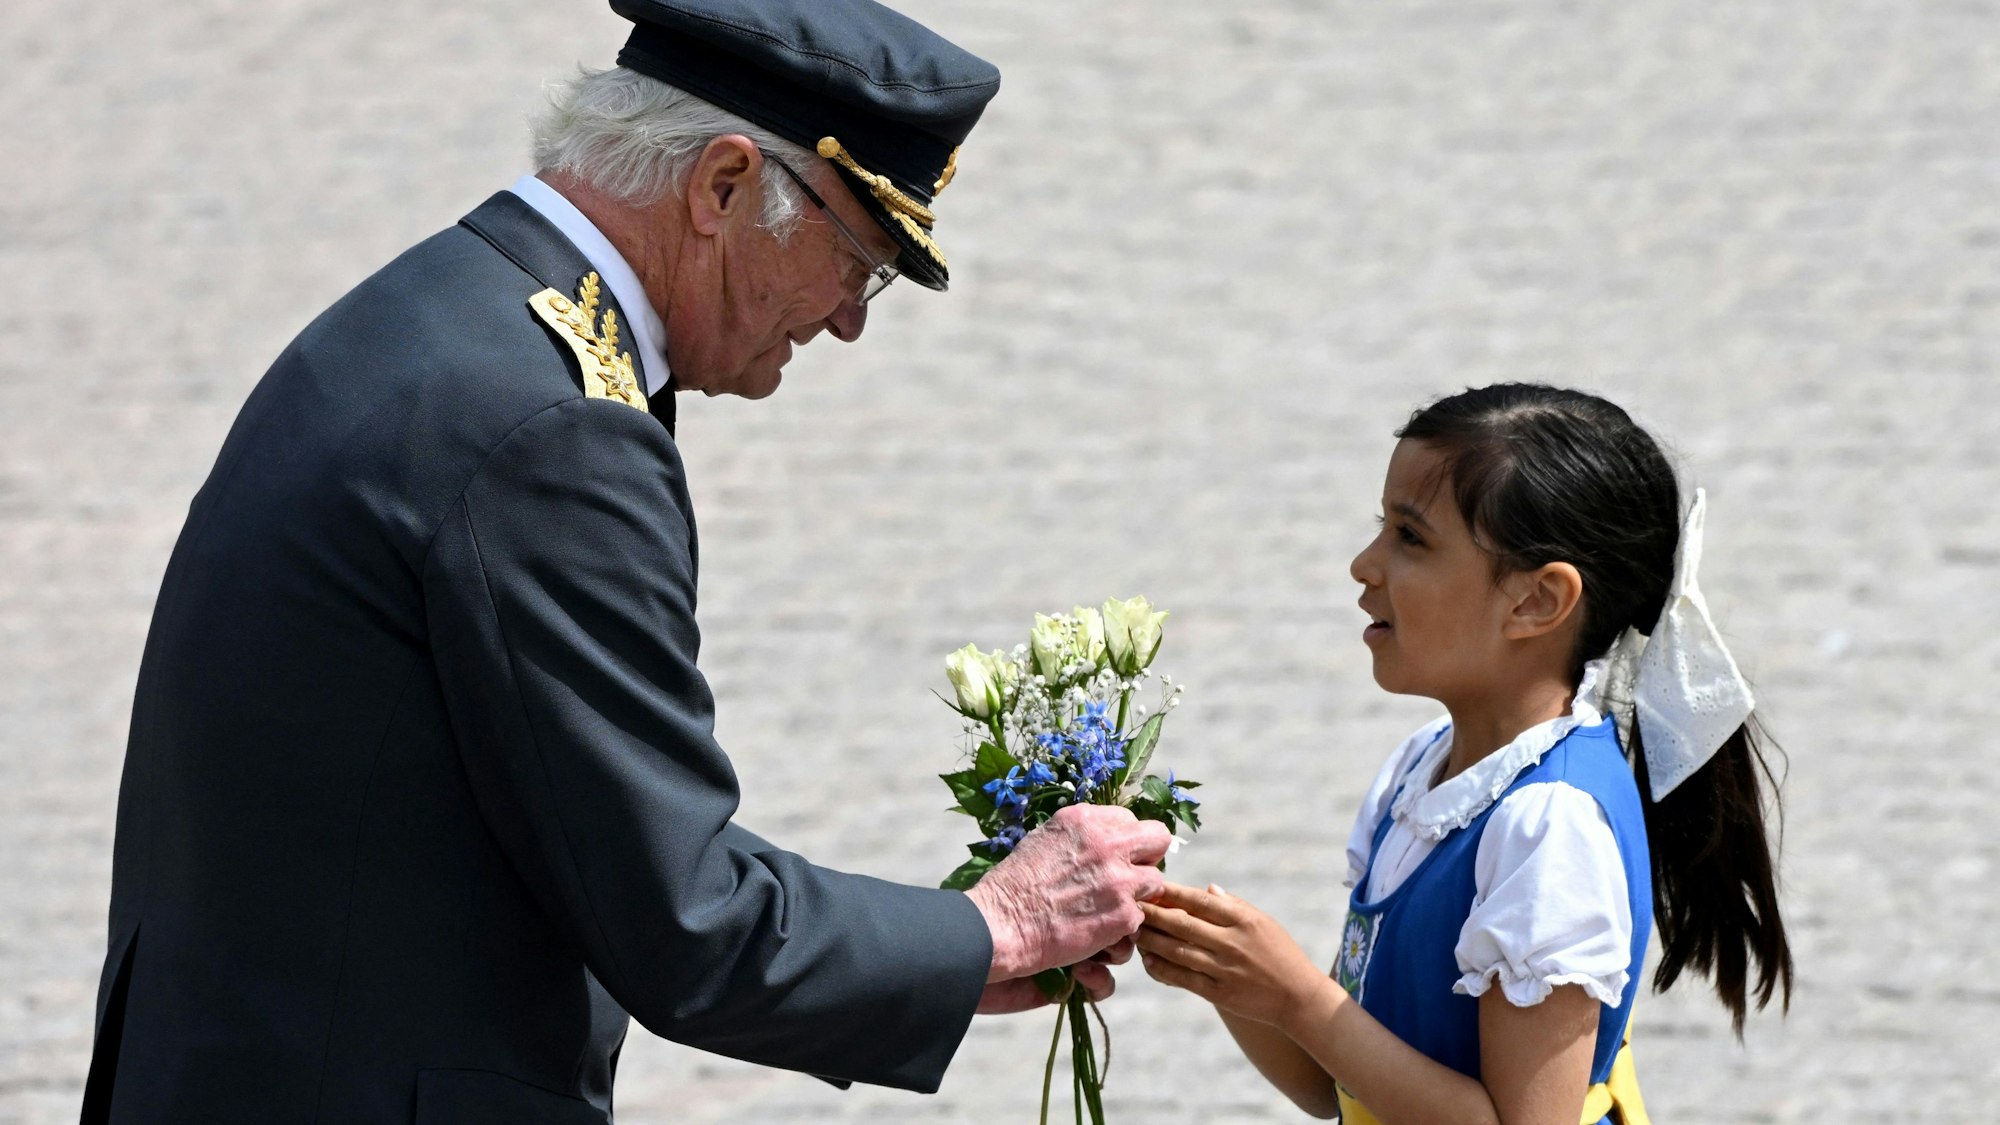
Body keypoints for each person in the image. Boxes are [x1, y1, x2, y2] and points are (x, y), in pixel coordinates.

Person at [80, 1, 1171, 1121]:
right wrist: (991, 926)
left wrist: (943, 962)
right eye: (857, 260)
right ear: (723, 187)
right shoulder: (550, 427)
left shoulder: (440, 312)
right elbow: (684, 922)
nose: (848, 320)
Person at [1136, 384, 1794, 1124]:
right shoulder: (1422, 776)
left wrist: (1297, 995)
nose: (1364, 564)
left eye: (1410, 538)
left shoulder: (1552, 825)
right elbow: (1337, 1084)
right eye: (1379, 527)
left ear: (1537, 601)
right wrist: (1219, 966)